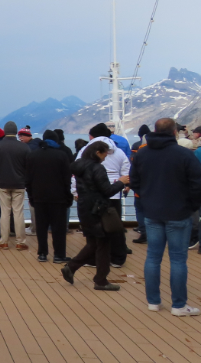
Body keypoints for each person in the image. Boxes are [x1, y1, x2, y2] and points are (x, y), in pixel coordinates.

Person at [130, 118, 201, 314]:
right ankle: (179, 305)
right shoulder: (184, 155)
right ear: (174, 132)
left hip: (152, 212)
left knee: (153, 257)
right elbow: (197, 183)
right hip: (179, 213)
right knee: (178, 259)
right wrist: (191, 206)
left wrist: (146, 198)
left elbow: (134, 180)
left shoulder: (142, 153)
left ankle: (153, 301)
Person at [62, 141, 128, 290]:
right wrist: (120, 182)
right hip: (98, 209)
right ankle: (101, 280)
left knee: (93, 242)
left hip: (84, 207)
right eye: (105, 153)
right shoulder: (97, 168)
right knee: (103, 244)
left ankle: (71, 267)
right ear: (98, 153)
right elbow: (107, 191)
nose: (106, 157)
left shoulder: (79, 166)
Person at [78, 123, 132, 268]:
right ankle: (118, 258)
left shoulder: (85, 150)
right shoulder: (118, 151)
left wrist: (75, 191)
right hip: (114, 192)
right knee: (115, 227)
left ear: (92, 136)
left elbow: (77, 171)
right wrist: (125, 184)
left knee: (94, 229)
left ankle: (93, 259)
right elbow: (126, 168)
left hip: (92, 196)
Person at [25, 131, 73, 263]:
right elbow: (66, 179)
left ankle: (42, 253)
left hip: (39, 196)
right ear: (56, 141)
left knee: (41, 227)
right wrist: (68, 196)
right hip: (58, 197)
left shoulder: (33, 155)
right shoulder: (61, 155)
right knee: (59, 228)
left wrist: (31, 196)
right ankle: (59, 255)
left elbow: (28, 179)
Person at [0, 121, 30, 250]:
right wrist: (24, 178)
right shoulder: (24, 147)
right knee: (18, 212)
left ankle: (4, 241)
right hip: (19, 184)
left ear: (5, 132)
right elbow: (29, 166)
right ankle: (20, 242)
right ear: (16, 132)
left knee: (4, 212)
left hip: (2, 183)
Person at [131, 124, 150, 244]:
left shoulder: (136, 147)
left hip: (140, 186)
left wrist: (134, 186)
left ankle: (143, 233)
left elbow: (132, 164)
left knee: (140, 210)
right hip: (154, 187)